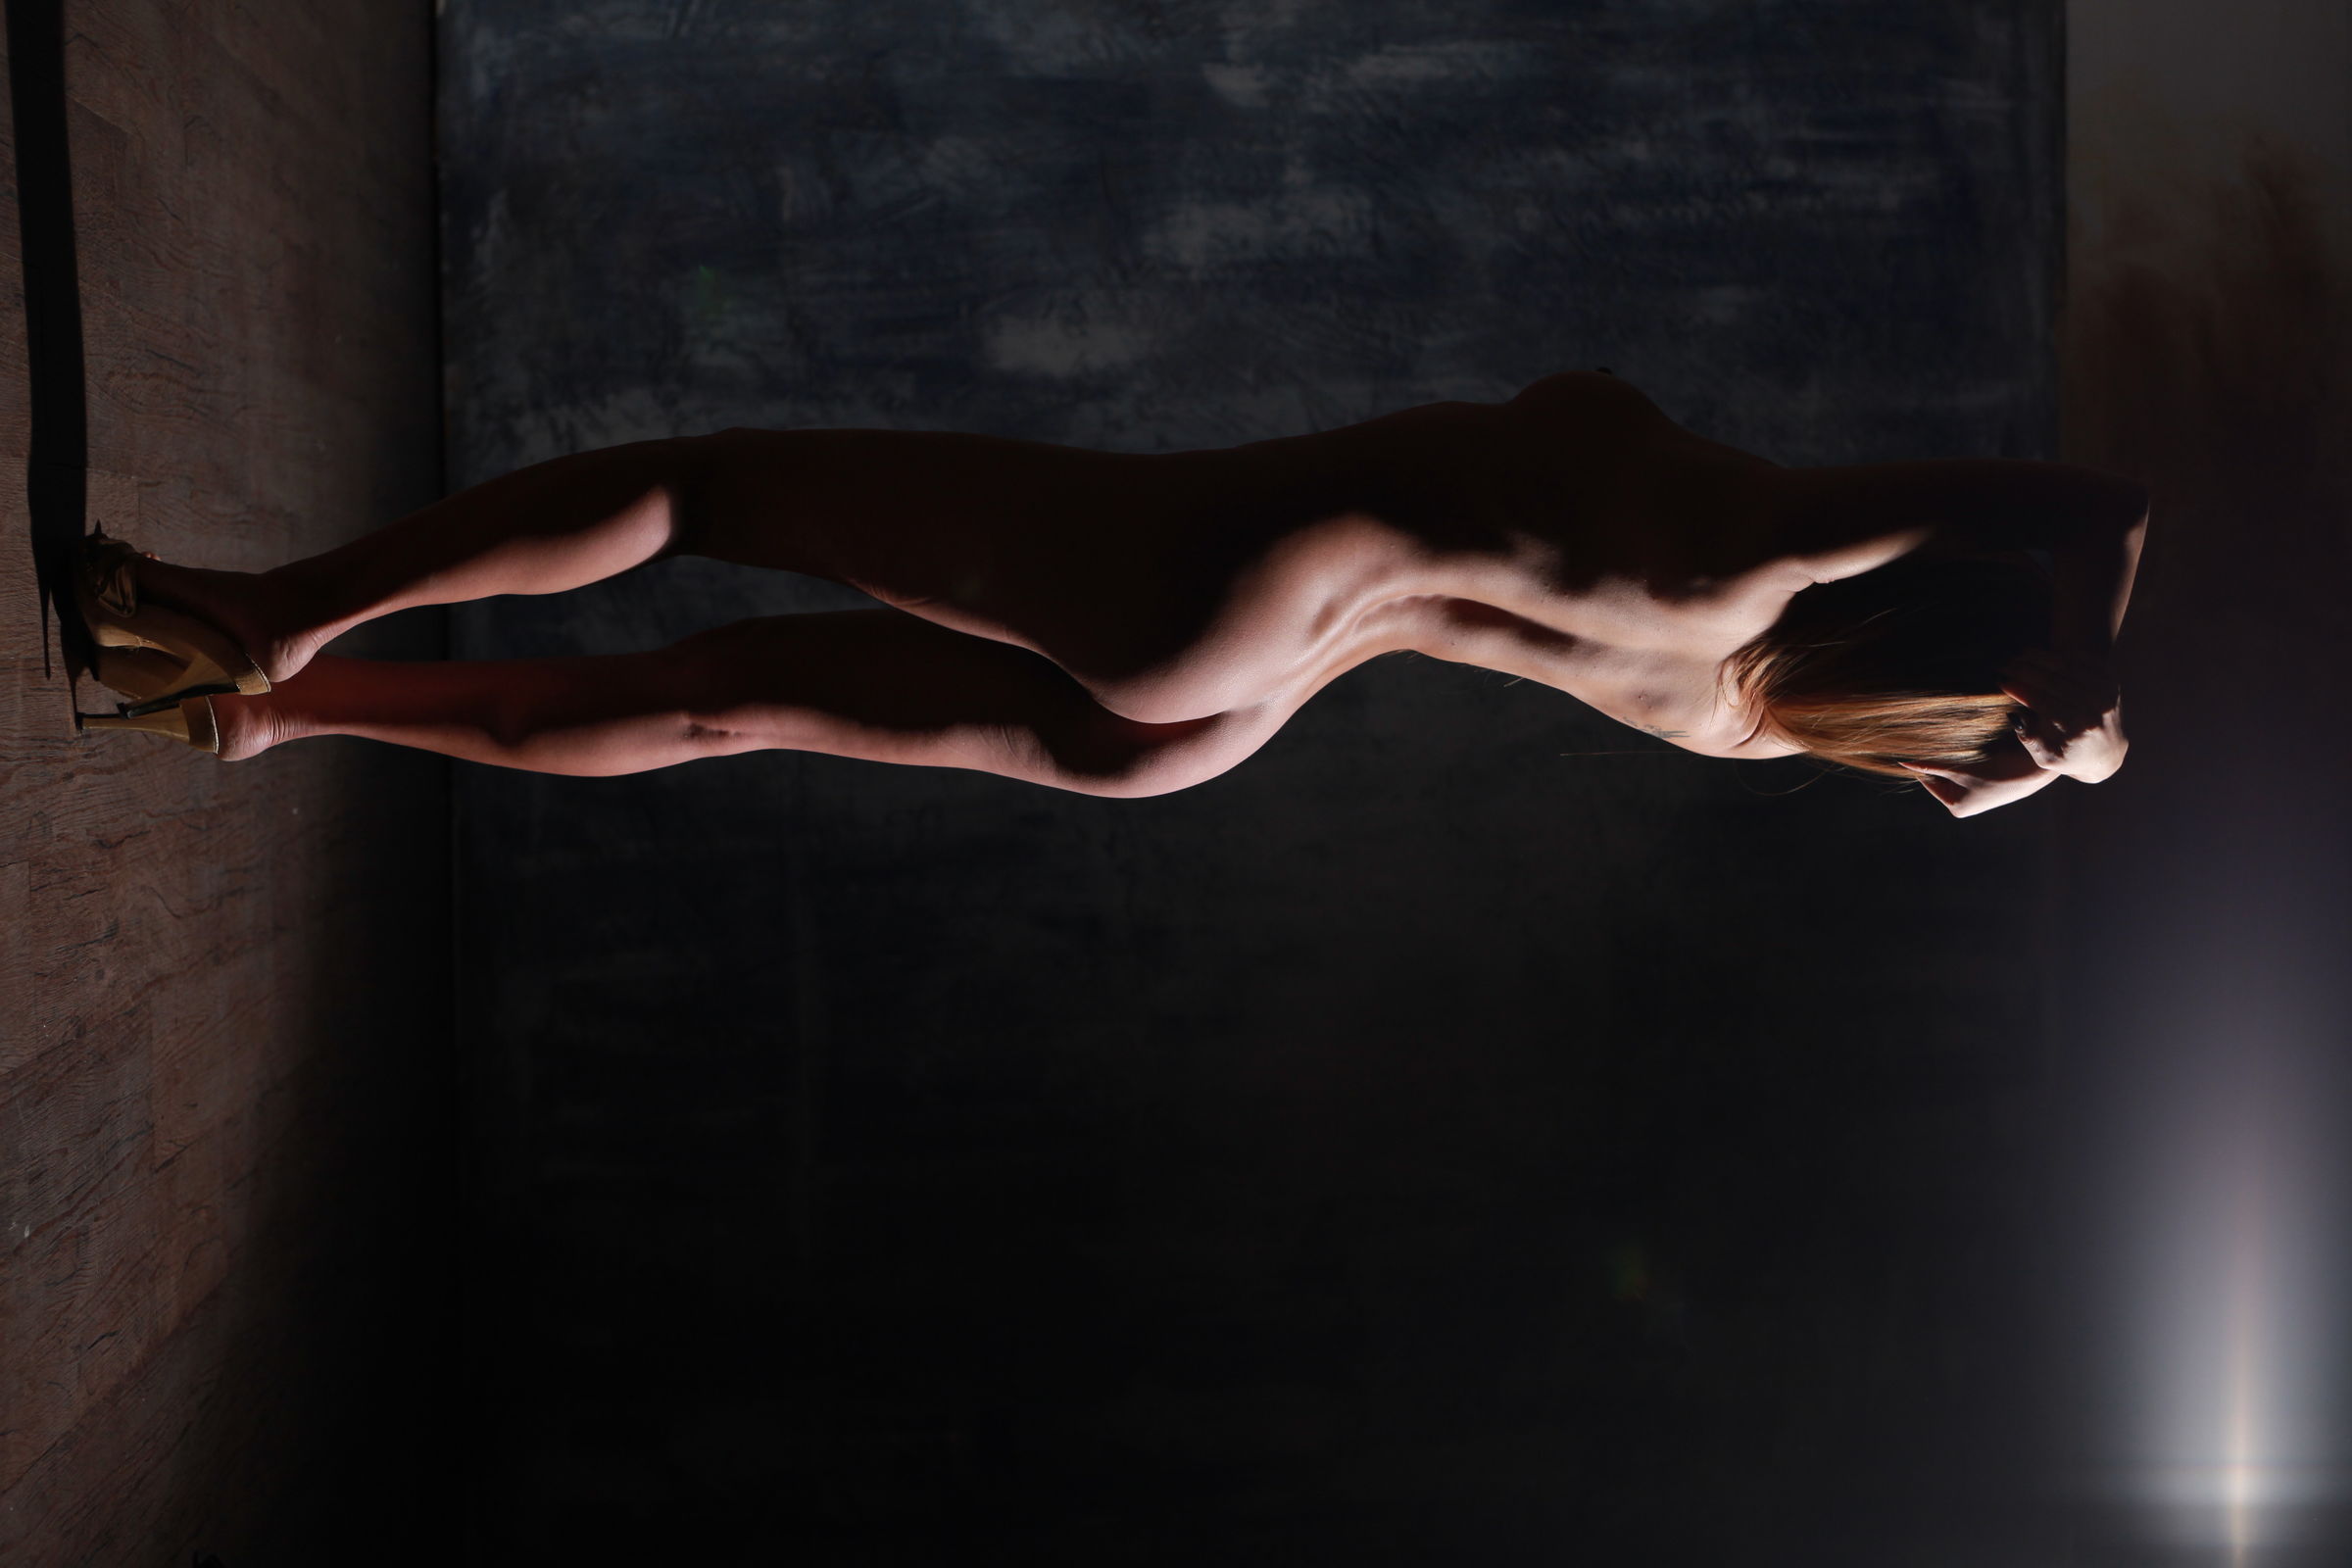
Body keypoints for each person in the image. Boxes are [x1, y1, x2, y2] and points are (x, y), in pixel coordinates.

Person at [70, 369, 2146, 817]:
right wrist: (2066, 749)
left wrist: (2095, 660)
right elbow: (1986, 771)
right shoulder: (1758, 714)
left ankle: (284, 612)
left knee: (701, 487)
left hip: (1219, 598)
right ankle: (275, 717)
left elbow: (2101, 495)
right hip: (1216, 727)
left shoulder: (1776, 539)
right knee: (726, 698)